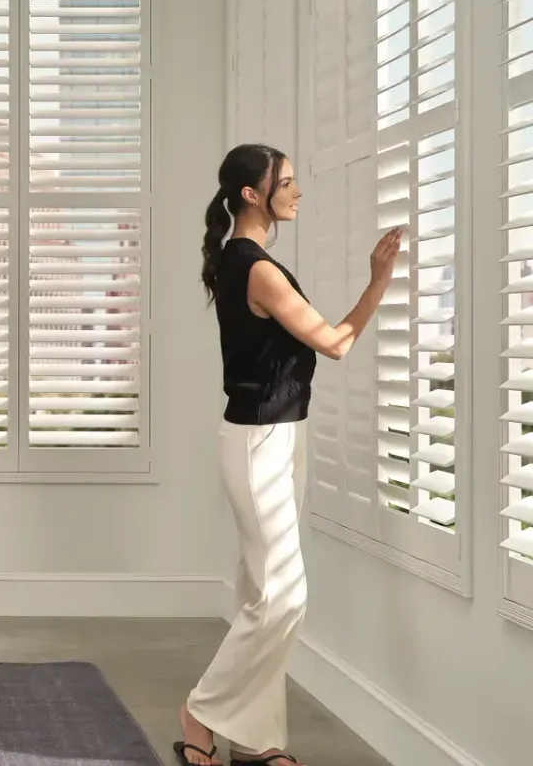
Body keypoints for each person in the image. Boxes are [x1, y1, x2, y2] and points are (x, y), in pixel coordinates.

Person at [175, 144, 402, 766]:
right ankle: (202, 709)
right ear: (254, 194)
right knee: (284, 597)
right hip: (258, 444)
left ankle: (257, 740)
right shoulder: (257, 268)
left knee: (260, 592)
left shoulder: (239, 259)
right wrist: (378, 283)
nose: (298, 192)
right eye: (288, 182)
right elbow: (333, 343)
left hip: (277, 437)